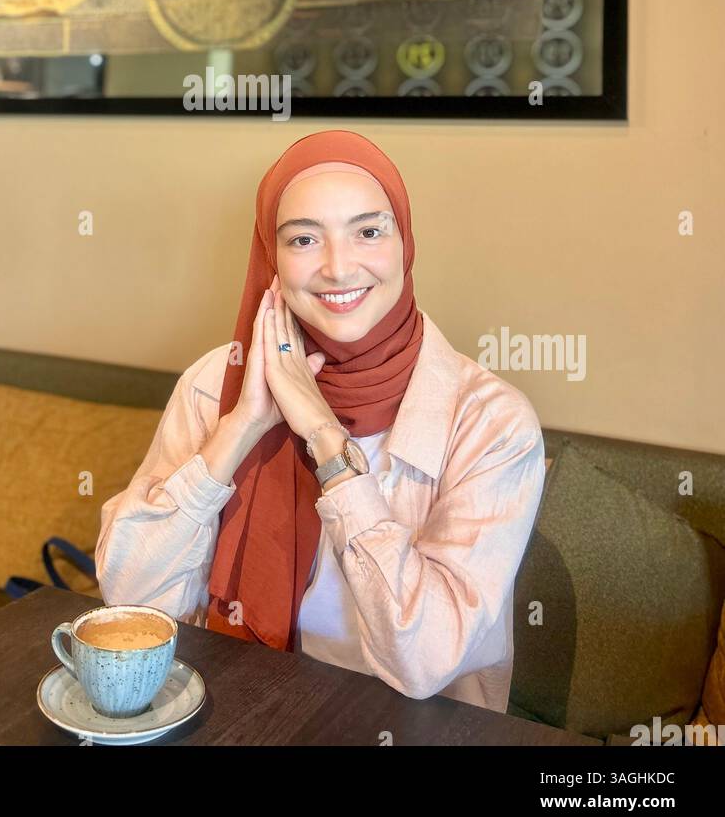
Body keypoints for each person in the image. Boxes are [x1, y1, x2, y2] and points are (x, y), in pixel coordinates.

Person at [95, 129, 546, 711]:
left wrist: (324, 436)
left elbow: (426, 661)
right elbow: (131, 597)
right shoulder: (218, 384)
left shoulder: (492, 422)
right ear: (271, 260)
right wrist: (241, 426)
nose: (338, 267)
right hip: (241, 708)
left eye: (368, 231)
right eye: (304, 239)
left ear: (405, 244)